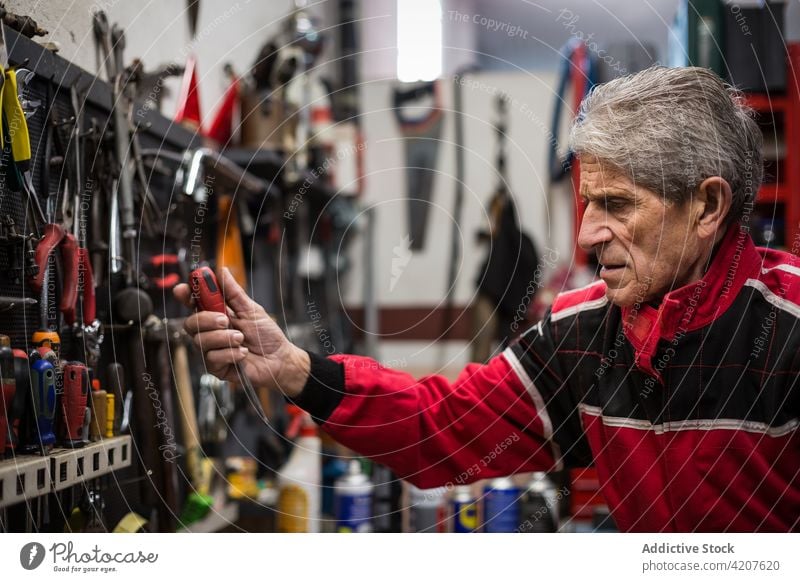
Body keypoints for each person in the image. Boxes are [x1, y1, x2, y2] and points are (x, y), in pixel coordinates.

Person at [175, 66, 800, 532]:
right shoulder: (583, 336)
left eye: (618, 206)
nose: (586, 234)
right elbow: (438, 427)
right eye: (587, 205)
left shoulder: (789, 330)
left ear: (708, 207)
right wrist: (296, 370)